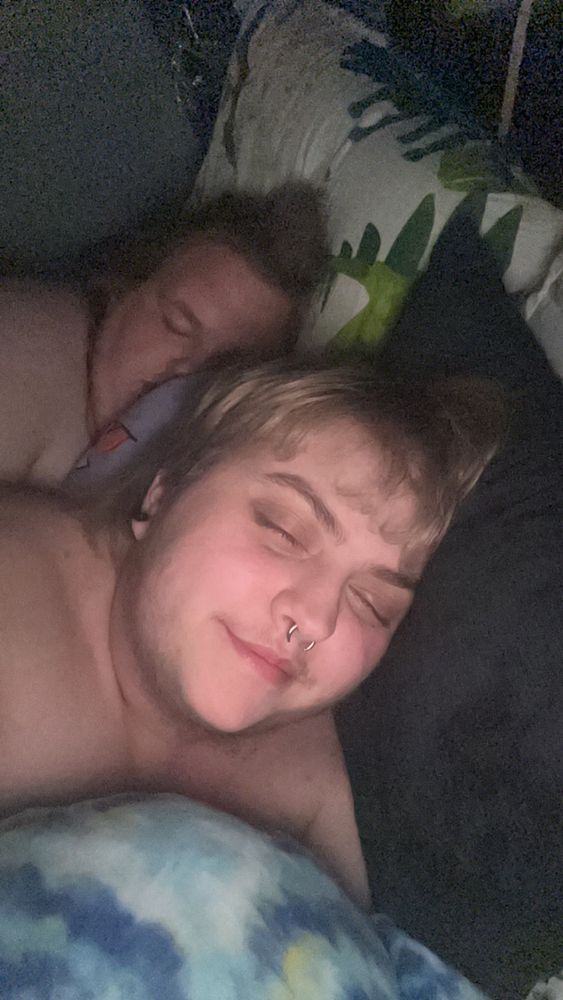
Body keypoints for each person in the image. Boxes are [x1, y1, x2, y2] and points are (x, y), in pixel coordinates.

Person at [0, 359, 505, 907]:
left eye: (372, 604)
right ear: (162, 495)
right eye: (284, 530)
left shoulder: (316, 790)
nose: (317, 620)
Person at [0, 182, 328, 484]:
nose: (187, 370)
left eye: (222, 367)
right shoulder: (28, 345)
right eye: (176, 324)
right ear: (121, 290)